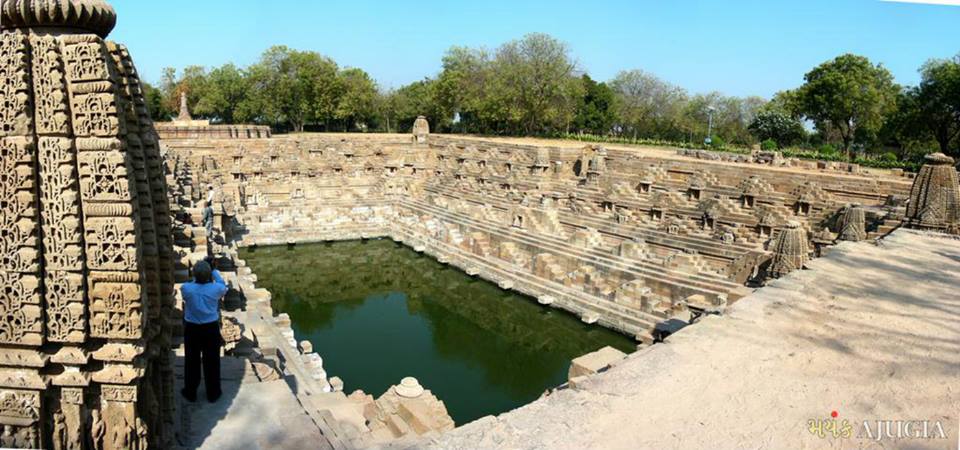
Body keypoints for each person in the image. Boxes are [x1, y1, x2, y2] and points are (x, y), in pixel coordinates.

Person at [180, 260, 227, 403]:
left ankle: (190, 391)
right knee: (212, 361)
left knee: (191, 360)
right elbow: (222, 284)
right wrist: (213, 270)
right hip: (210, 328)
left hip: (192, 328)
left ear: (194, 274)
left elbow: (192, 283)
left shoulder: (186, 289)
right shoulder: (216, 289)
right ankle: (213, 393)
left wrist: (199, 275)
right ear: (209, 275)